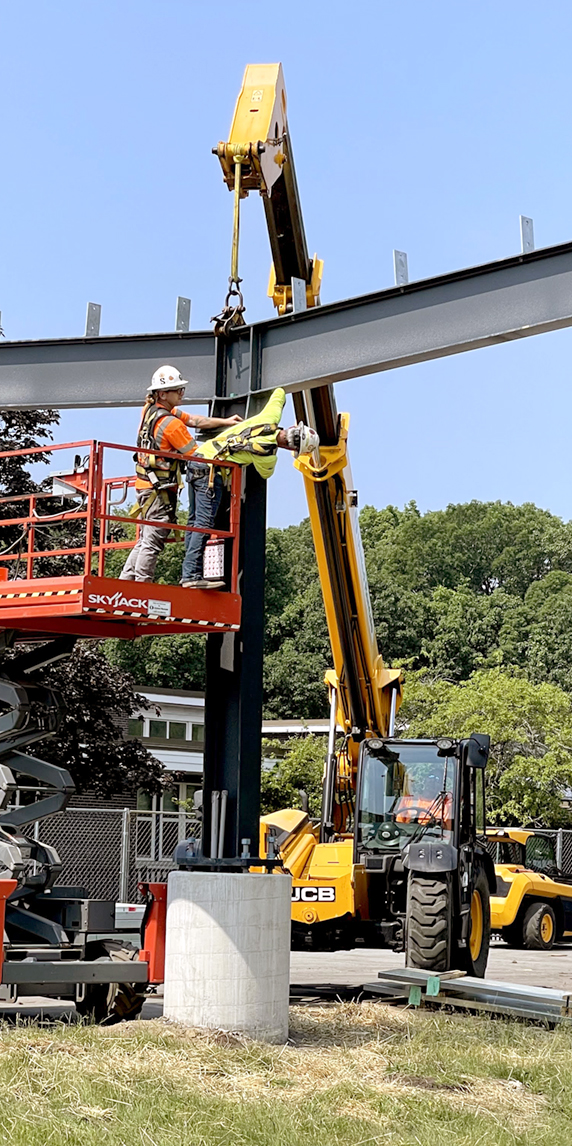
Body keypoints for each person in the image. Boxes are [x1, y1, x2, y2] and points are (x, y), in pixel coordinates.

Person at [180, 387, 319, 588]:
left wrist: (282, 389)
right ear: (292, 448)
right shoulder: (267, 456)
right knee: (203, 523)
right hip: (211, 472)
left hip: (197, 459)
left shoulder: (269, 417)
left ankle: (188, 572)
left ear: (291, 428)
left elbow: (278, 395)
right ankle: (191, 576)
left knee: (194, 521)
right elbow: (265, 474)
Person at [119, 365, 242, 583]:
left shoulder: (150, 411)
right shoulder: (172, 425)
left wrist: (225, 422)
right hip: (158, 491)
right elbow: (200, 456)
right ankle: (141, 585)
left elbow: (195, 421)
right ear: (163, 393)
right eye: (178, 390)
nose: (182, 394)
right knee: (153, 539)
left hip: (144, 486)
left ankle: (127, 581)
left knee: (145, 539)